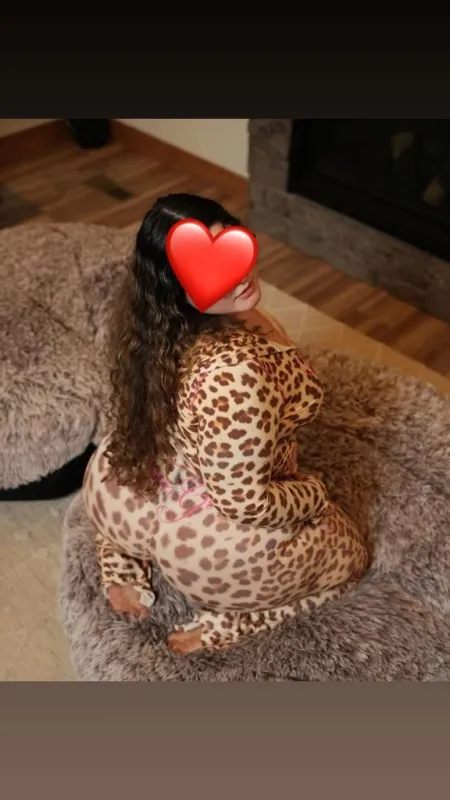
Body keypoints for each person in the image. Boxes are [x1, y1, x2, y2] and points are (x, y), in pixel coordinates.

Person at [83, 192, 369, 655]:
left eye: (232, 244)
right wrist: (313, 495)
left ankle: (122, 549)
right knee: (351, 558)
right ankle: (238, 618)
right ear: (175, 289)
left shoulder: (159, 329)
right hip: (212, 543)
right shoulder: (236, 377)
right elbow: (245, 503)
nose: (238, 275)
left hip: (143, 483)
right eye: (209, 271)